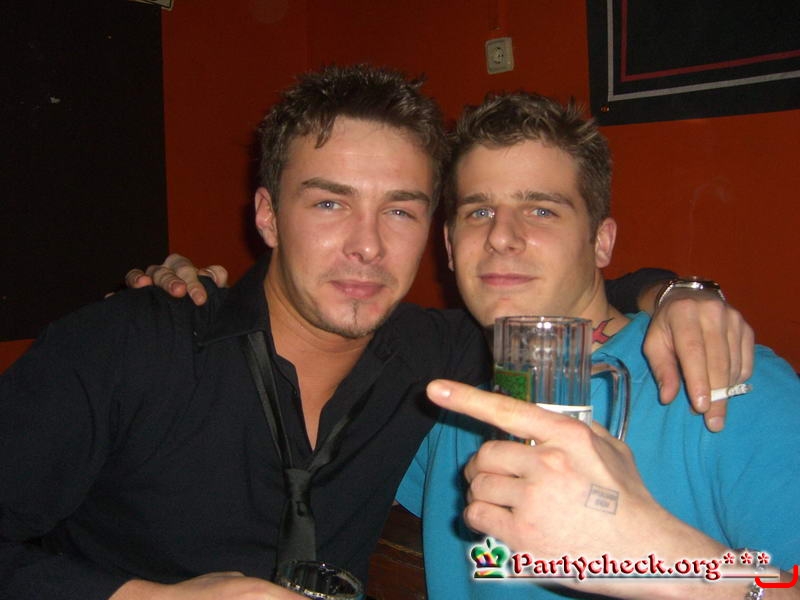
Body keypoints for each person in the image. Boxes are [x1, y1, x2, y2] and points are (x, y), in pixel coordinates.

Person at [1, 64, 751, 600]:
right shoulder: (129, 346)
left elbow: (563, 287)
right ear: (267, 215)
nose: (366, 246)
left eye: (399, 209)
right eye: (329, 204)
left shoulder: (436, 357)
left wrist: (677, 292)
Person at [394, 91, 800, 599]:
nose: (501, 236)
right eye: (479, 212)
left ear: (601, 242)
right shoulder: (447, 406)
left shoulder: (725, 383)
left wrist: (660, 557)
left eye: (541, 210)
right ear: (450, 247)